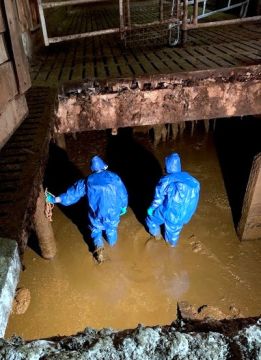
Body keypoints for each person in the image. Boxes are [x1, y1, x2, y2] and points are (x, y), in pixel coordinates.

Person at [46, 155, 128, 263]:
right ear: (104, 166)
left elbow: (72, 195)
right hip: (113, 214)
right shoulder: (114, 177)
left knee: (96, 230)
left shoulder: (87, 182)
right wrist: (123, 207)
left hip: (95, 215)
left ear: (92, 169)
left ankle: (99, 250)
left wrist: (55, 199)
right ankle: (113, 245)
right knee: (111, 229)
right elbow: (123, 194)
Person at [146, 152, 200, 247]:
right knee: (173, 234)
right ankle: (171, 246)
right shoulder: (193, 181)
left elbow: (158, 199)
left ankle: (157, 236)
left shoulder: (165, 181)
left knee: (151, 219)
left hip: (170, 213)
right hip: (185, 215)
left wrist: (151, 208)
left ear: (168, 167)